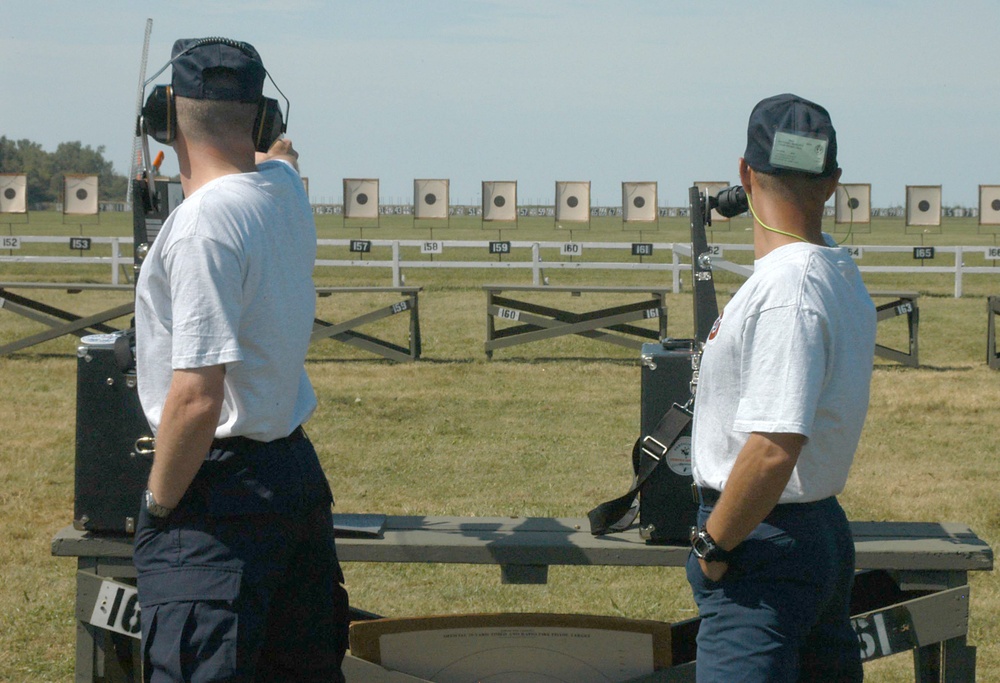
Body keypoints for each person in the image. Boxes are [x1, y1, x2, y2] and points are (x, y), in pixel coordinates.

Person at [133, 38, 350, 682]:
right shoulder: (283, 190)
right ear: (264, 120)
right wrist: (269, 145)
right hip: (293, 476)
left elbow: (197, 398)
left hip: (215, 497)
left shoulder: (202, 227)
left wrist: (160, 504)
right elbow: (278, 157)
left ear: (163, 119)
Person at [686, 93, 876, 682]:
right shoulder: (834, 271)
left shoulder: (787, 289)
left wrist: (713, 548)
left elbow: (773, 446)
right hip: (813, 529)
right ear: (833, 182)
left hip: (761, 539)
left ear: (744, 174)